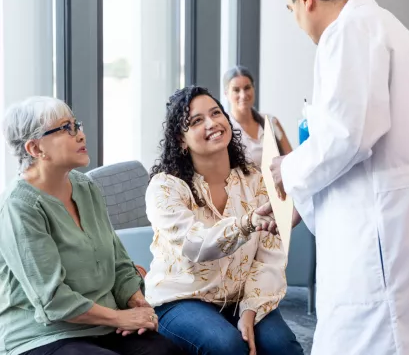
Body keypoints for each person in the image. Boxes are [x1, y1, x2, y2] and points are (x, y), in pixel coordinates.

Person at [264, 0, 409, 354]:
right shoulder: (396, 34)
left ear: (306, 0)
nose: (298, 23)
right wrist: (299, 202)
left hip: (380, 238)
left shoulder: (349, 32)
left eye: (292, 12)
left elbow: (347, 135)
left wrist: (288, 168)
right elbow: (373, 154)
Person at [0, 97, 185, 355]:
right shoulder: (19, 207)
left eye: (77, 125)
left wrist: (137, 302)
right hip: (42, 335)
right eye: (66, 128)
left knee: (167, 352)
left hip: (102, 324)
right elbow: (52, 300)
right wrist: (119, 318)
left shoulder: (85, 186)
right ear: (35, 148)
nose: (80, 135)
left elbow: (118, 260)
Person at [145, 86, 304, 355]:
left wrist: (250, 310)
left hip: (241, 295)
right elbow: (196, 244)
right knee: (227, 346)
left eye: (216, 113)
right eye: (196, 121)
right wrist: (248, 222)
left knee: (282, 347)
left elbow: (269, 255)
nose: (212, 123)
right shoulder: (165, 187)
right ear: (181, 140)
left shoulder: (255, 180)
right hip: (182, 299)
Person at [223, 66, 293, 168]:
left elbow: (290, 160)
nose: (243, 95)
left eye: (247, 88)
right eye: (236, 90)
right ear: (226, 94)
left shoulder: (271, 121)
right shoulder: (225, 128)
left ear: (253, 88)